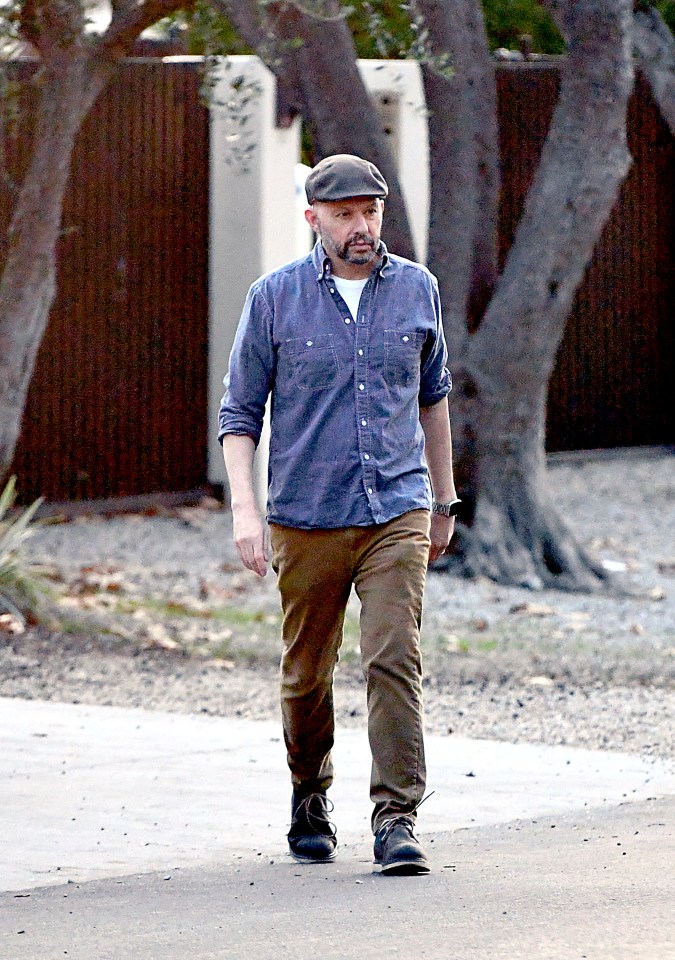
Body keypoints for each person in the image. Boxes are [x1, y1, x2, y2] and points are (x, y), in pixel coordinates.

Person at [218, 154, 460, 876]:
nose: (361, 227)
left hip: (397, 507)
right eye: (345, 214)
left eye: (371, 212)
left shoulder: (418, 289)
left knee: (392, 657)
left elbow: (433, 396)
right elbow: (239, 413)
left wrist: (442, 500)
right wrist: (245, 513)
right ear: (312, 219)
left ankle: (396, 818)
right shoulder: (273, 298)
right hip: (305, 513)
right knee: (305, 671)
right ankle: (307, 795)